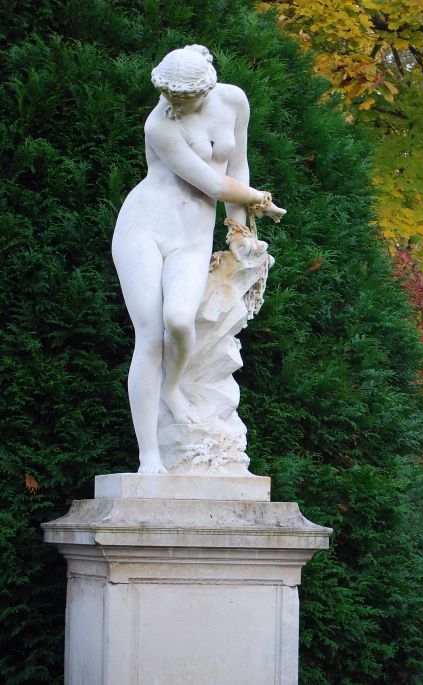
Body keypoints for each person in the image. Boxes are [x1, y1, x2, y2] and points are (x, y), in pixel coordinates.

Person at [112, 45, 284, 474]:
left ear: (206, 87)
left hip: (191, 237)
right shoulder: (160, 124)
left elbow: (237, 166)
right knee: (151, 336)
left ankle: (173, 387)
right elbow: (212, 182)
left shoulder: (233, 100)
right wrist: (263, 202)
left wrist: (239, 230)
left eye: (184, 98)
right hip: (144, 228)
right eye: (169, 96)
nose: (176, 105)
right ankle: (149, 454)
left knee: (179, 321)